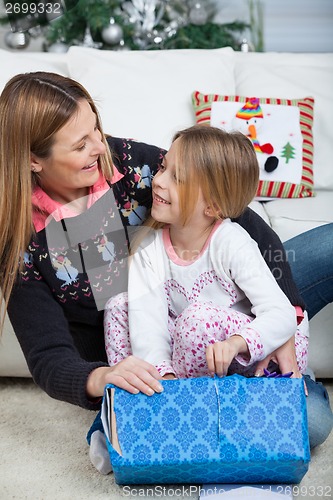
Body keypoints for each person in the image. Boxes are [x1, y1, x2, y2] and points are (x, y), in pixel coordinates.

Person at [0, 72, 331, 449]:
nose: (99, 146)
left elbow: (243, 219)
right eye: (80, 145)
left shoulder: (134, 164)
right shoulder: (20, 243)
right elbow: (48, 356)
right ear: (32, 160)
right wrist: (104, 378)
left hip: (231, 304)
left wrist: (281, 323)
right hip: (153, 353)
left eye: (96, 127)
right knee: (312, 423)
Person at [104, 125, 308, 380]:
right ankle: (158, 395)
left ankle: (195, 399)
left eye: (178, 178)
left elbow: (281, 313)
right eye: (164, 167)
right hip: (194, 346)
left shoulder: (230, 241)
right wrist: (163, 377)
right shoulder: (149, 249)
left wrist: (237, 342)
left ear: (212, 206)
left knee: (197, 318)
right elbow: (149, 328)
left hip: (259, 348)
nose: (158, 181)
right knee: (119, 307)